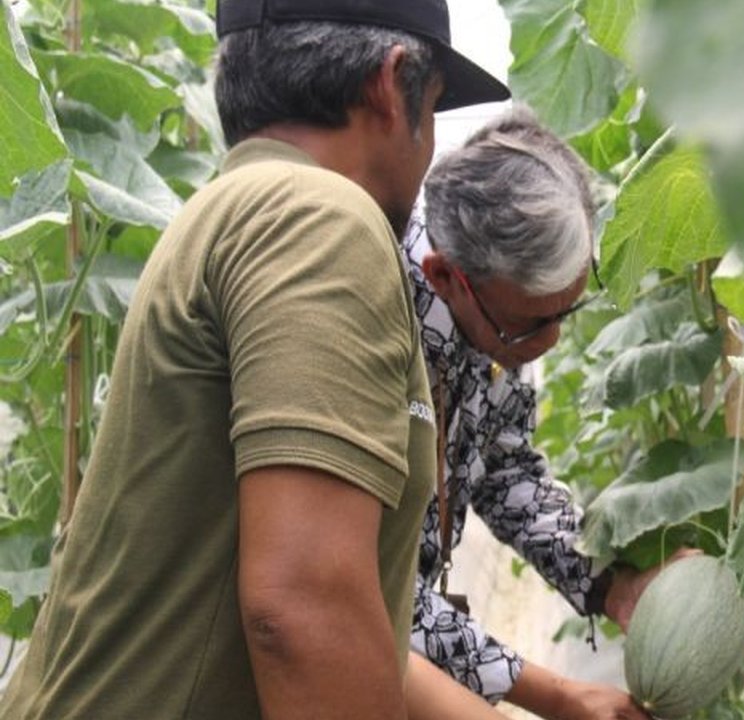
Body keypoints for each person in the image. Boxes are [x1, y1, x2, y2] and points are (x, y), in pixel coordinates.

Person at [0, 1, 513, 718]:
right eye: (433, 105)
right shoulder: (319, 221)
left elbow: (351, 640)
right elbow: (303, 614)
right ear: (391, 86)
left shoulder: (236, 207)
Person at [400, 107, 669, 720]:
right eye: (532, 323)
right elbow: (379, 595)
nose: (546, 345)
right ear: (447, 277)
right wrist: (559, 695)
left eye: (563, 315)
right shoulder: (374, 319)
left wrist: (609, 584)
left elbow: (505, 471)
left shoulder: (496, 317)